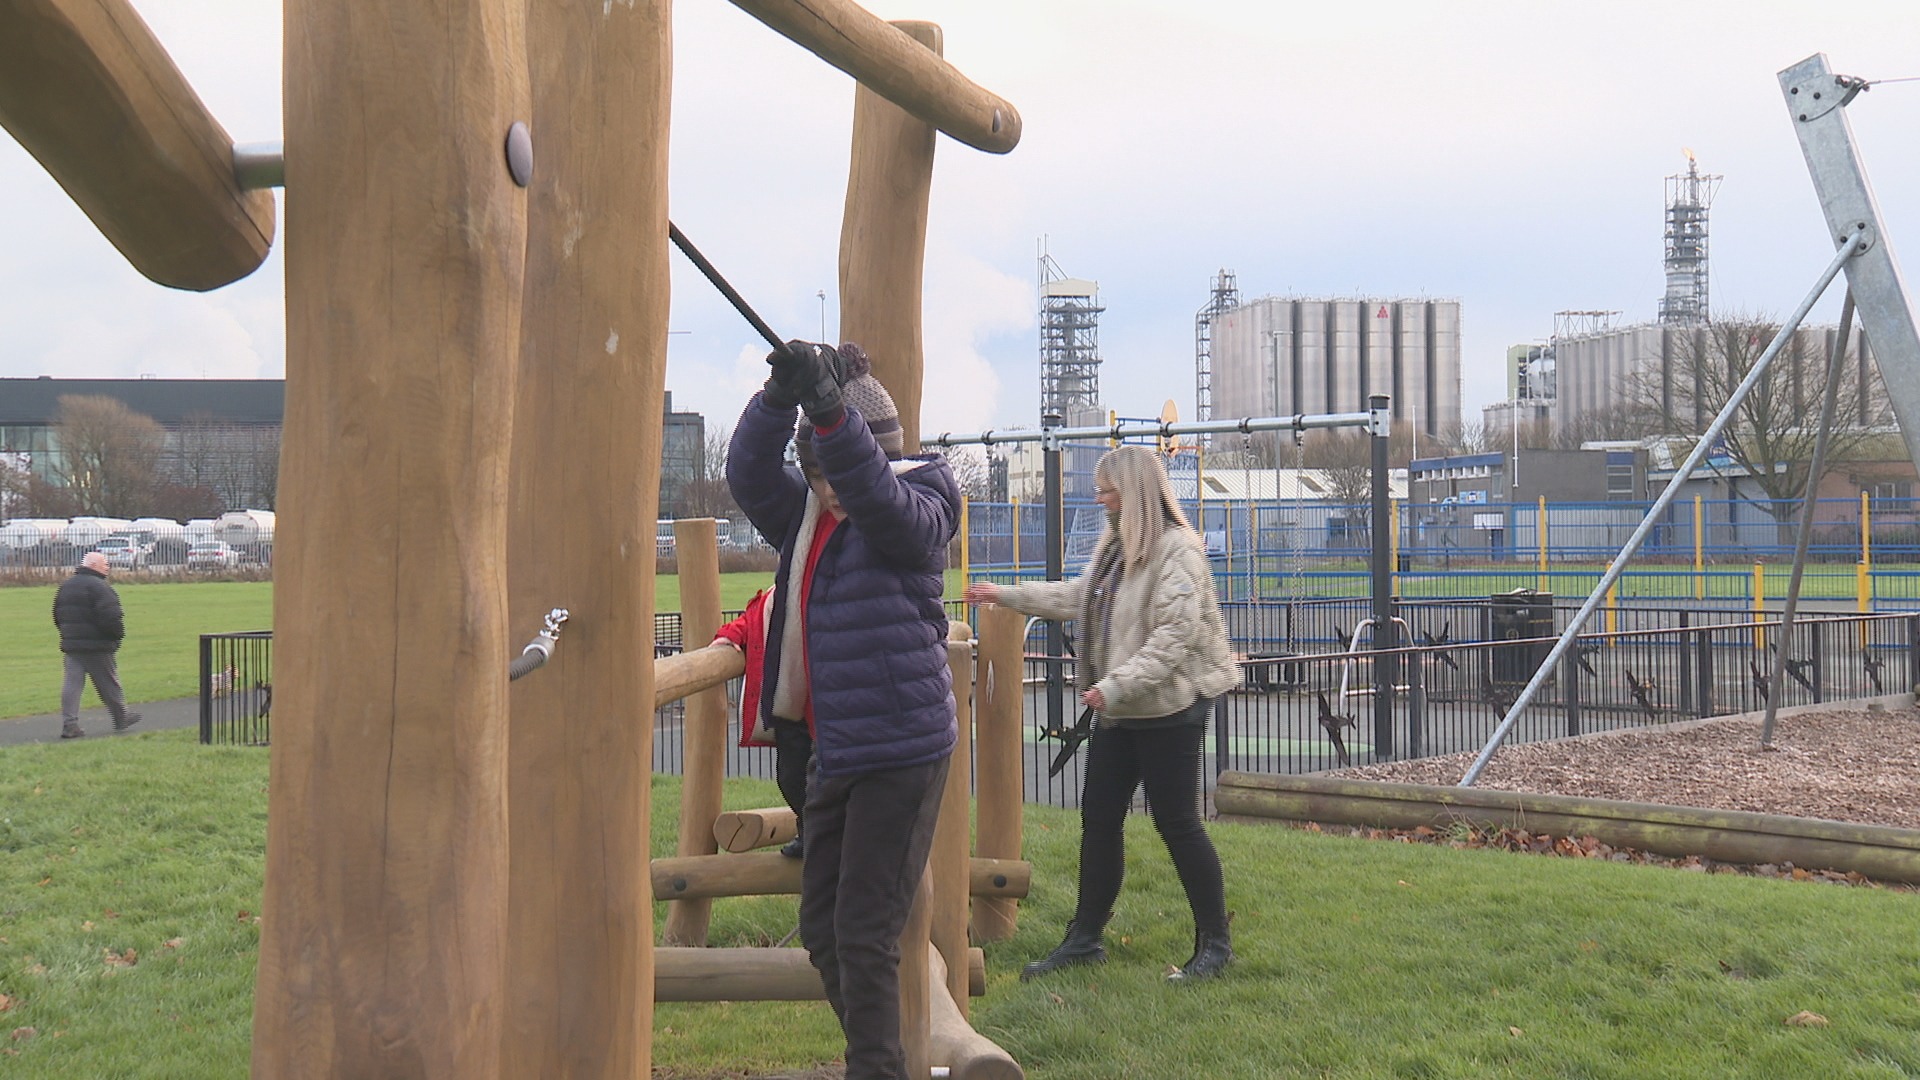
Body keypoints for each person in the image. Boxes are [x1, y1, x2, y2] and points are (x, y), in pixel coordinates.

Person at [727, 338, 959, 1080]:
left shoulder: (922, 500)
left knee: (863, 933)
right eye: (817, 476)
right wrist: (776, 403)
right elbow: (747, 473)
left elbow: (881, 504)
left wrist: (830, 414)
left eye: (837, 475)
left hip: (901, 749)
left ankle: (876, 1070)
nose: (828, 492)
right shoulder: (803, 518)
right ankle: (882, 1059)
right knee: (825, 934)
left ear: (875, 455)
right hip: (838, 752)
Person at [963, 444, 1239, 982]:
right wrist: (1009, 595)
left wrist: (1115, 685)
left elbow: (1177, 634)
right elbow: (1081, 596)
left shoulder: (1177, 549)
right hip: (1121, 707)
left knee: (1176, 821)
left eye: (1107, 488)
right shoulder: (1117, 548)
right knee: (1099, 818)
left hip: (1168, 707)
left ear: (1133, 492)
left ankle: (1215, 945)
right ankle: (1084, 939)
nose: (1099, 497)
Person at [711, 584, 810, 858]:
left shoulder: (818, 587)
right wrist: (729, 636)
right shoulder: (772, 598)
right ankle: (809, 833)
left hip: (820, 706)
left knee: (821, 779)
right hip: (791, 708)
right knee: (791, 778)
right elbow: (751, 622)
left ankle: (819, 836)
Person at [53, 551, 143, 739]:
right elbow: (111, 616)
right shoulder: (100, 587)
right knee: (109, 682)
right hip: (97, 643)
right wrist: (117, 636)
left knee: (72, 684)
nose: (107, 567)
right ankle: (121, 716)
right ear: (94, 565)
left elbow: (57, 614)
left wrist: (67, 634)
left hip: (72, 643)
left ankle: (70, 723)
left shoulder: (66, 586)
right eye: (105, 564)